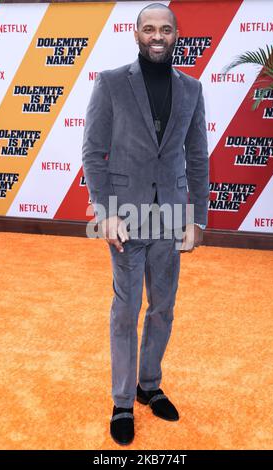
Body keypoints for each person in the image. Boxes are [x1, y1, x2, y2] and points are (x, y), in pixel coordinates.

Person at [82, 3, 209, 446]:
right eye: (149, 28)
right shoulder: (111, 83)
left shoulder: (191, 89)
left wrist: (198, 219)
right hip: (124, 217)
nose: (157, 35)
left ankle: (148, 385)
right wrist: (106, 212)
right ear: (136, 34)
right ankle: (121, 401)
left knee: (163, 307)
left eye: (165, 29)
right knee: (125, 308)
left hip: (172, 216)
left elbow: (197, 158)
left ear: (177, 35)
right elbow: (93, 152)